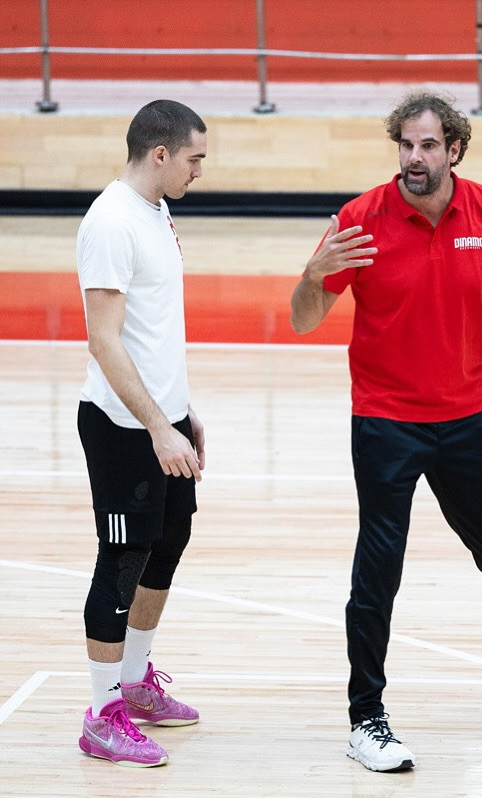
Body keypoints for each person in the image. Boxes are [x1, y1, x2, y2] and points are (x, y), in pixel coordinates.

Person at [290, 90, 482, 773]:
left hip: (469, 417)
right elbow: (303, 319)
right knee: (378, 569)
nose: (414, 157)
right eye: (406, 144)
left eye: (428, 145)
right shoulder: (360, 219)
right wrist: (313, 276)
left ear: (454, 149)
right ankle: (366, 719)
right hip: (386, 421)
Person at [76, 99, 207, 767]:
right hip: (124, 427)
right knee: (122, 559)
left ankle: (134, 682)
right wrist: (158, 426)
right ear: (161, 154)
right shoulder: (111, 222)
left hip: (162, 419)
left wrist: (182, 412)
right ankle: (101, 717)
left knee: (168, 542)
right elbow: (104, 341)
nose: (198, 171)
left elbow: (153, 328)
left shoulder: (156, 210)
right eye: (193, 159)